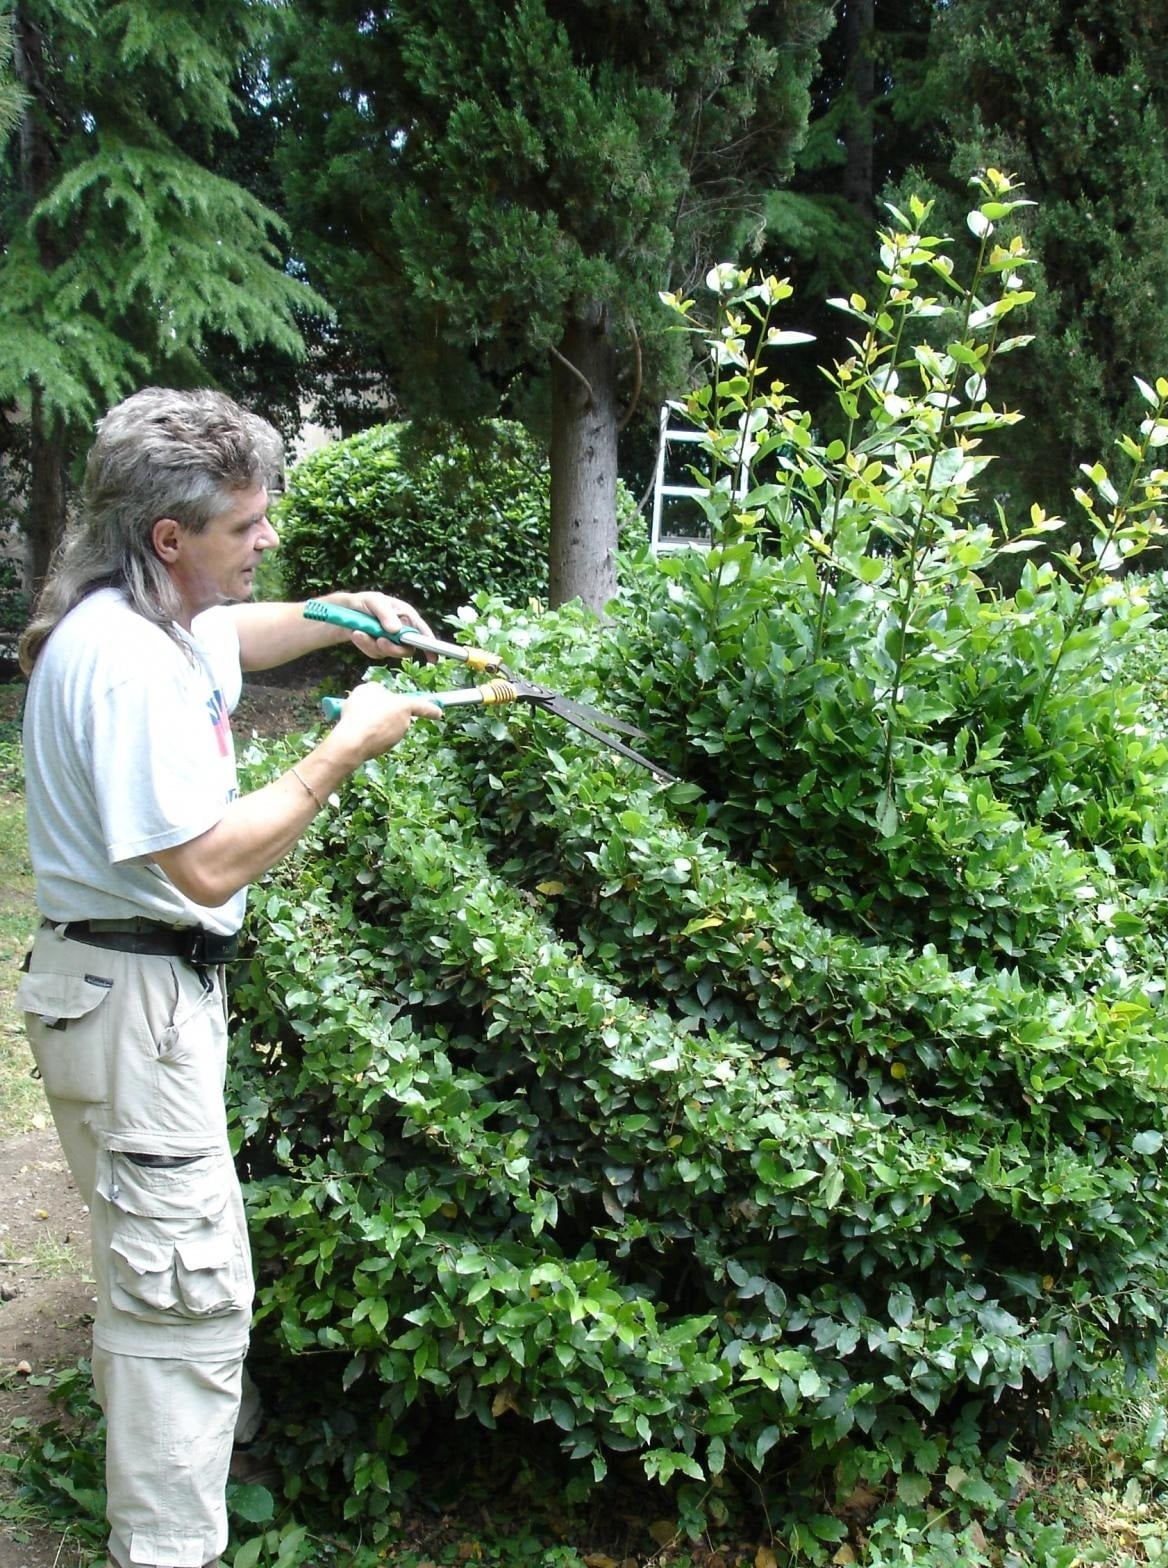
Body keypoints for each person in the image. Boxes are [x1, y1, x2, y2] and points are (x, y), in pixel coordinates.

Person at [16, 386, 442, 1568]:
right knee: (184, 1298)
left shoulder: (141, 614)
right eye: (247, 527)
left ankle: (166, 1478)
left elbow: (232, 636)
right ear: (171, 537)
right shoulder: (128, 667)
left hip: (108, 993)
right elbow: (204, 864)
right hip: (138, 1002)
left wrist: (332, 614)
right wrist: (337, 749)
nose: (267, 541)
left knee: (145, 1255)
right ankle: (166, 1547)